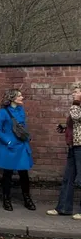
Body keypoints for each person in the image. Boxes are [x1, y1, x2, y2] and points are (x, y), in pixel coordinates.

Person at [0, 89, 35, 212]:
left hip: (21, 145)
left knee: (24, 173)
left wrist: (26, 136)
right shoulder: (2, 112)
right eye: (19, 96)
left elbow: (22, 126)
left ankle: (27, 199)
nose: (22, 97)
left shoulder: (21, 110)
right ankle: (6, 200)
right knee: (8, 174)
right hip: (9, 146)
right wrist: (8, 141)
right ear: (12, 98)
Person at [48, 82, 81, 220]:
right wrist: (65, 128)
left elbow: (77, 117)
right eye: (73, 92)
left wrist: (76, 101)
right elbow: (75, 124)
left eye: (76, 91)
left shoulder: (76, 106)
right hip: (73, 145)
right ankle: (63, 208)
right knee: (68, 178)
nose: (73, 94)